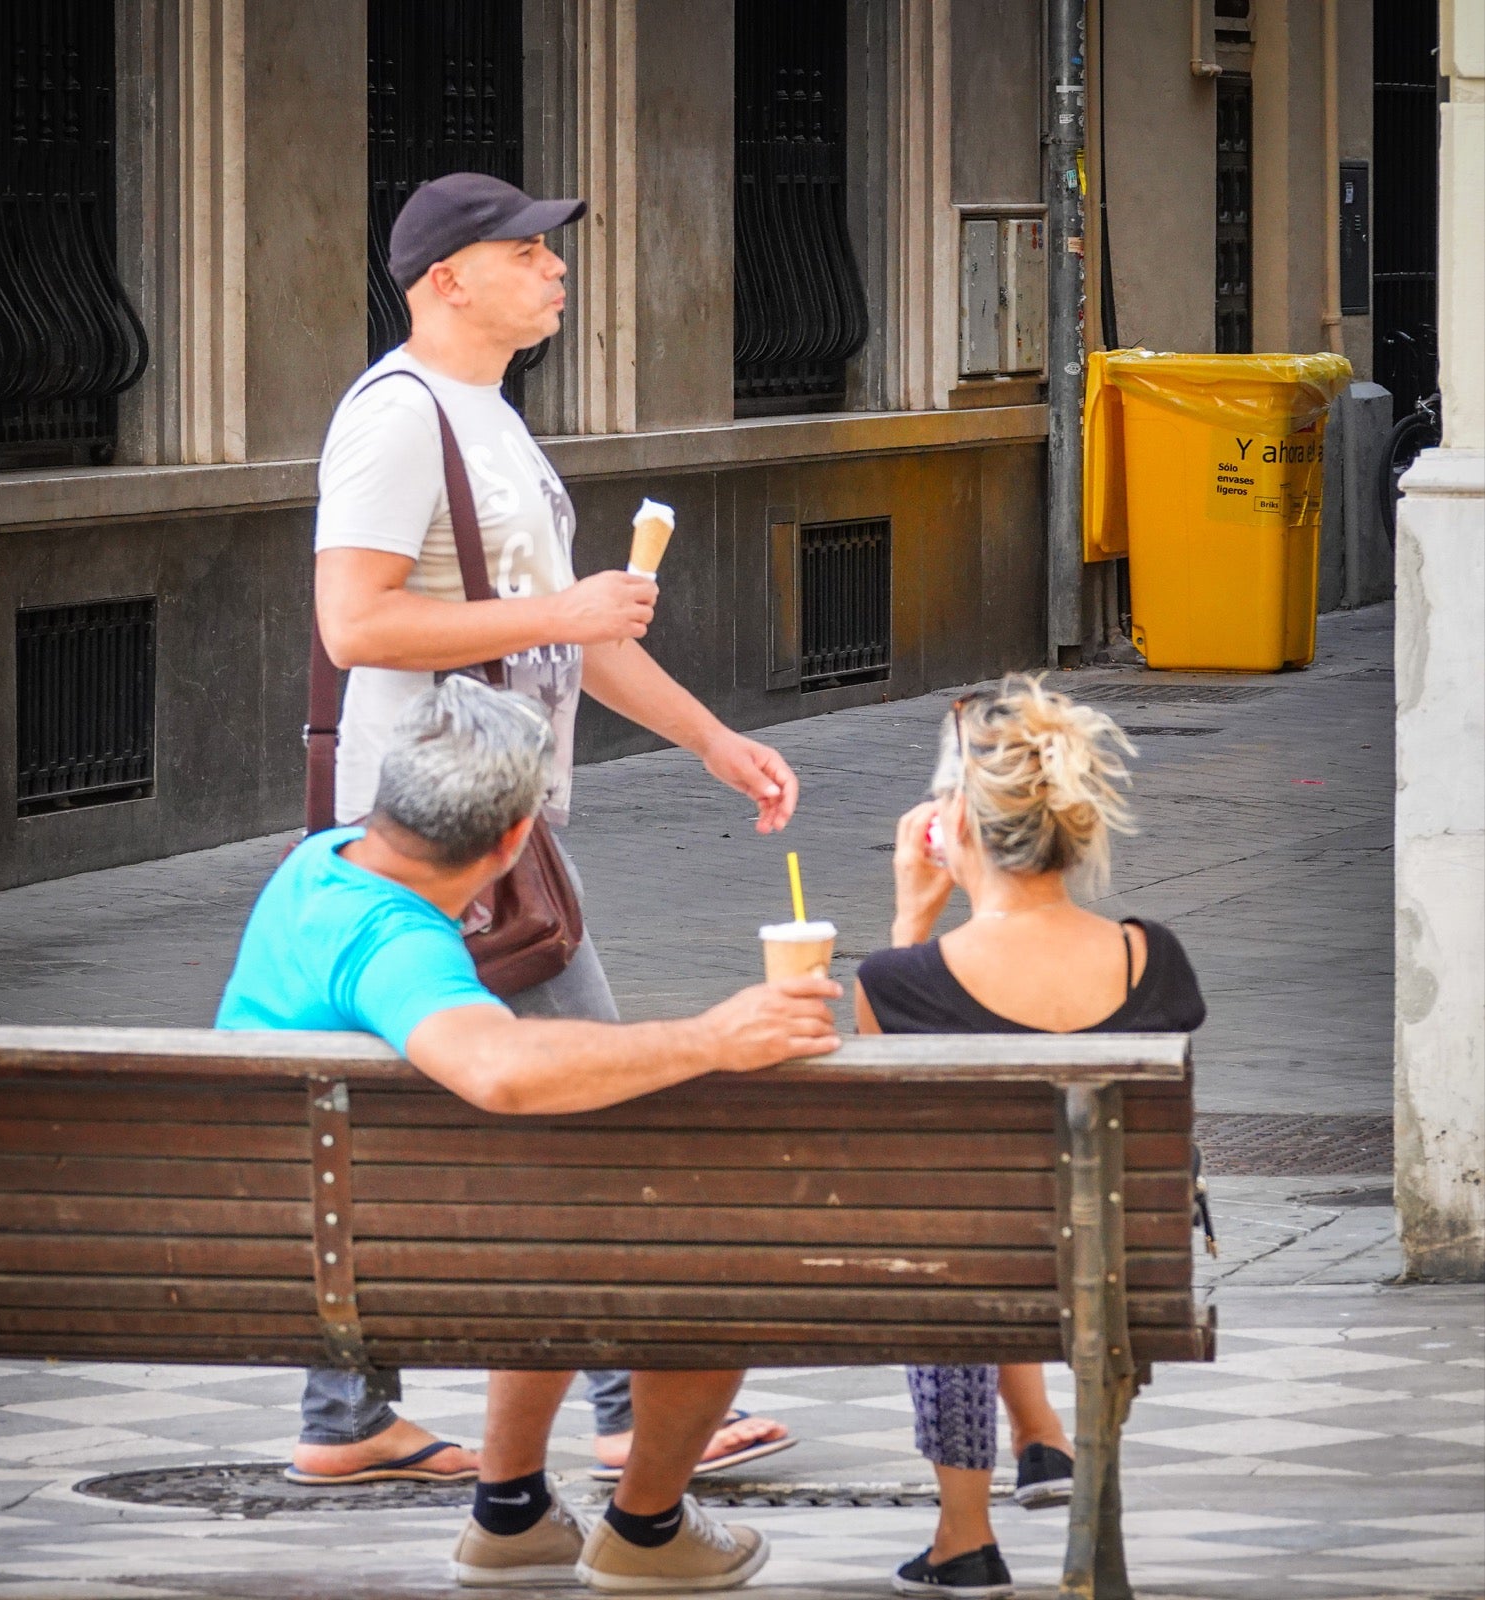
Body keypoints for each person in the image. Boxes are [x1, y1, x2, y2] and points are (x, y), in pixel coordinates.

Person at [300, 170, 795, 1487]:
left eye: (548, 250)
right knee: (597, 1097)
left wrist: (706, 737)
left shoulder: (493, 419)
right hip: (422, 835)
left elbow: (576, 627)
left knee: (396, 1112)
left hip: (489, 825)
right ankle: (624, 1405)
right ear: (444, 278)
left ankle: (347, 1416)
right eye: (525, 251)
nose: (553, 267)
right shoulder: (399, 420)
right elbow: (354, 626)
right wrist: (560, 618)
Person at [218, 678, 841, 1589]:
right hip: (358, 1266)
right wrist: (712, 1037)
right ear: (516, 838)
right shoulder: (393, 942)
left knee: (546, 1207)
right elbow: (497, 1069)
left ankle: (510, 1517)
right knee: (717, 1255)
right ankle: (648, 1530)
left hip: (282, 1232)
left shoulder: (321, 865)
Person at [854, 676, 1207, 1599]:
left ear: (955, 829)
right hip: (1122, 1272)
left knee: (949, 1230)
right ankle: (1058, 1462)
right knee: (1016, 1217)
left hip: (964, 1276)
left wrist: (909, 925)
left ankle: (963, 1534)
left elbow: (878, 1130)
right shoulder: (1152, 956)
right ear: (1075, 827)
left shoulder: (901, 980)